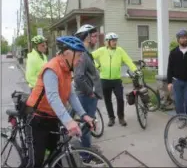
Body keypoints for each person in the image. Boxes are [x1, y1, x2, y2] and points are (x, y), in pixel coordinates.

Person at [26, 36, 94, 167]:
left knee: (56, 157)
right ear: (67, 53)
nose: (80, 60)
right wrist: (69, 122)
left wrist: (84, 115)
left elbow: (71, 95)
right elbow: (53, 98)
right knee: (36, 162)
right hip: (36, 118)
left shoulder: (67, 70)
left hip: (52, 118)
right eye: (79, 55)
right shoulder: (52, 68)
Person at [91, 32, 138, 127]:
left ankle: (121, 117)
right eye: (112, 40)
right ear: (107, 42)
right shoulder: (101, 50)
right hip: (104, 80)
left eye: (116, 40)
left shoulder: (120, 50)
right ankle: (111, 118)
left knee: (120, 99)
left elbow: (128, 60)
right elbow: (89, 57)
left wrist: (135, 69)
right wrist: (97, 66)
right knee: (108, 100)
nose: (115, 42)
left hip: (116, 80)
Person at [73, 24, 103, 151]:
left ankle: (87, 148)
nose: (96, 39)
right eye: (94, 36)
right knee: (86, 125)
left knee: (87, 124)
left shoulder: (86, 53)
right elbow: (78, 77)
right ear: (87, 38)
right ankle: (85, 155)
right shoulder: (83, 54)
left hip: (88, 95)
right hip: (86, 96)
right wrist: (90, 92)